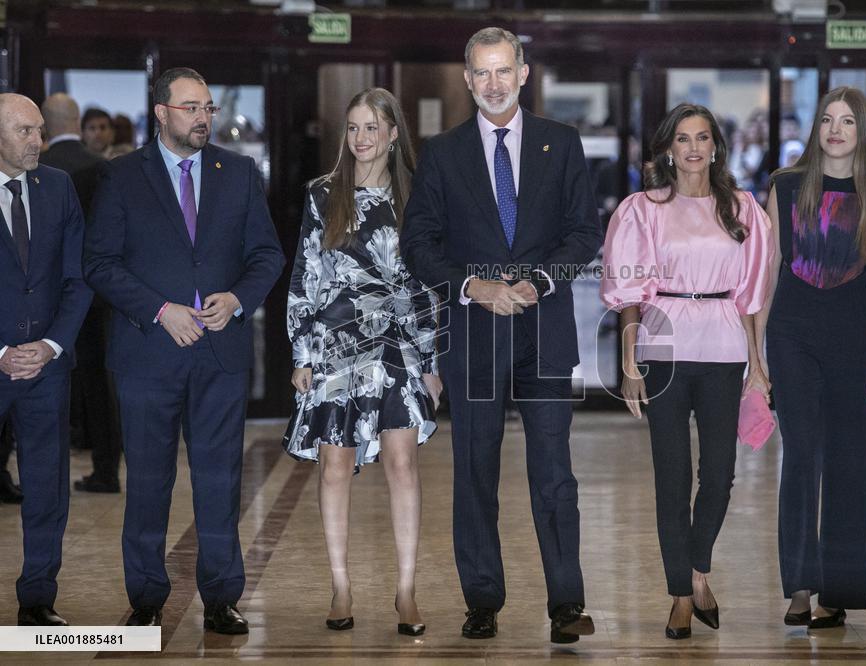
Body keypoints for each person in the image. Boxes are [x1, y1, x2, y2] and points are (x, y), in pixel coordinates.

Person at [401, 26, 603, 644]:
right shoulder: (441, 153)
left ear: (523, 74)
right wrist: (474, 287)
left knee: (554, 475)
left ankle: (567, 604)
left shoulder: (561, 144)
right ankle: (482, 600)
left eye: (502, 71)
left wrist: (538, 281)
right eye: (480, 73)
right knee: (474, 473)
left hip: (544, 333)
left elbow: (584, 234)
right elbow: (419, 245)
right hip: (474, 336)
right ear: (467, 80)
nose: (492, 84)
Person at [85, 67, 284, 632]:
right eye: (191, 107)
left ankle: (222, 597)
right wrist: (159, 309)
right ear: (162, 113)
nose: (203, 118)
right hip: (148, 353)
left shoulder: (238, 172)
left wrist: (238, 299)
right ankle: (147, 599)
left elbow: (267, 254)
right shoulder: (122, 177)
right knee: (148, 480)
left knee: (220, 479)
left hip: (219, 355)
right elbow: (99, 262)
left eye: (207, 109)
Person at [601, 104, 772, 640]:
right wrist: (630, 360)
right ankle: (681, 593)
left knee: (719, 473)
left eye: (702, 137)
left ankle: (698, 569)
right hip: (664, 343)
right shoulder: (642, 209)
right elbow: (629, 289)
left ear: (716, 146)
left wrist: (758, 364)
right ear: (668, 149)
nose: (693, 147)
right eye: (682, 138)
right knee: (671, 478)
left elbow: (753, 295)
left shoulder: (743, 209)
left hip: (723, 345)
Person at [283, 88, 441, 636]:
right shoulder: (322, 195)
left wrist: (430, 358)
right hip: (334, 344)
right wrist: (302, 352)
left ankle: (405, 591)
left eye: (372, 127)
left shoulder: (416, 198)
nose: (362, 138)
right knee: (334, 468)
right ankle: (340, 584)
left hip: (397, 347)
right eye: (353, 128)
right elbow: (305, 278)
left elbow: (426, 285)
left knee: (402, 464)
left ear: (394, 133)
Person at [756, 87, 866, 629]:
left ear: (863, 131)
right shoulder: (786, 186)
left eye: (847, 121)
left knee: (850, 462)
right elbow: (769, 269)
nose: (835, 129)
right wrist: (757, 354)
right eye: (826, 119)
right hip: (792, 334)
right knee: (799, 460)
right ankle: (798, 584)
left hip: (851, 338)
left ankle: (837, 592)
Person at [0, 93, 92, 626]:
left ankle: (37, 598)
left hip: (46, 368)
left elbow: (77, 279)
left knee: (46, 487)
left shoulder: (57, 187)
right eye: (24, 132)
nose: (37, 142)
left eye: (38, 130)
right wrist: (3, 353)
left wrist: (51, 346)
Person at [39, 92, 122, 494]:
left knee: (31, 376)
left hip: (39, 293)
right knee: (96, 380)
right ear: (76, 121)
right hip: (95, 290)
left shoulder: (36, 166)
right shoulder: (100, 168)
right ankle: (106, 469)